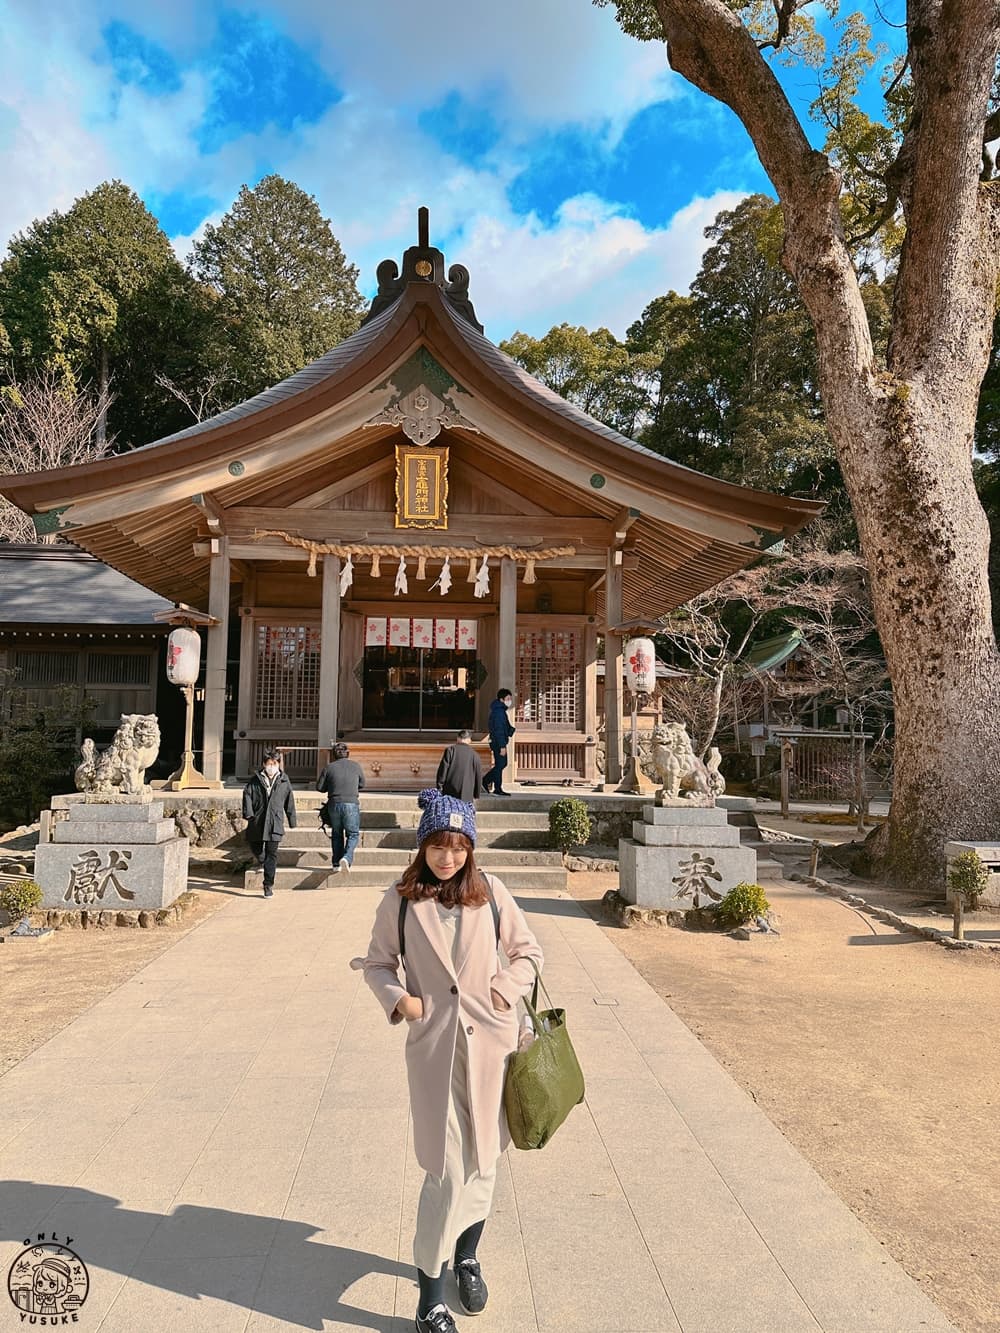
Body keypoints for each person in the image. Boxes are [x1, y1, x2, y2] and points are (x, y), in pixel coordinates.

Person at [355, 789, 543, 1333]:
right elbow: (377, 963)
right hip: (436, 1047)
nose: (447, 857)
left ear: (471, 850)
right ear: (423, 846)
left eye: (458, 847)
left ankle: (468, 1258)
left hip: (492, 1043)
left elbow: (528, 952)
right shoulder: (400, 899)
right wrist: (400, 1000)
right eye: (438, 845)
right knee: (445, 1171)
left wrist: (506, 991)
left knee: (486, 1161)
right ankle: (429, 1298)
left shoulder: (493, 893)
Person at [242, 750, 297, 898]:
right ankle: (262, 860)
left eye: (274, 764)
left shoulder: (284, 780)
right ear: (264, 765)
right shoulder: (255, 780)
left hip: (275, 822)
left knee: (272, 854)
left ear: (279, 764)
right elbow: (247, 795)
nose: (271, 767)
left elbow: (289, 801)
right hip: (257, 821)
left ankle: (268, 885)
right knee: (256, 848)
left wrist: (292, 820)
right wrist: (249, 813)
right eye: (269, 764)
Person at [317, 741, 366, 873]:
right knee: (353, 834)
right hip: (351, 802)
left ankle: (335, 863)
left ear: (334, 755)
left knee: (337, 834)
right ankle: (346, 857)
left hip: (334, 803)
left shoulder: (329, 767)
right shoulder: (356, 766)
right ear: (348, 754)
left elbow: (319, 787)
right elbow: (362, 784)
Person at [482, 689, 515, 796]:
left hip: (497, 741)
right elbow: (499, 730)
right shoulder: (499, 712)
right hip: (498, 742)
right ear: (501, 699)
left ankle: (497, 787)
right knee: (501, 764)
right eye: (507, 699)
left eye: (510, 699)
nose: (509, 701)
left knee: (500, 764)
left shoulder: (499, 710)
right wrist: (502, 746)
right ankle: (486, 781)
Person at [436, 729, 483, 803]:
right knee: (464, 813)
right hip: (467, 792)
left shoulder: (450, 750)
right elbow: (478, 775)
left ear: (458, 738)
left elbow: (443, 770)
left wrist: (439, 787)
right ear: (469, 740)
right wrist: (476, 794)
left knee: (451, 812)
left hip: (450, 790)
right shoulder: (475, 754)